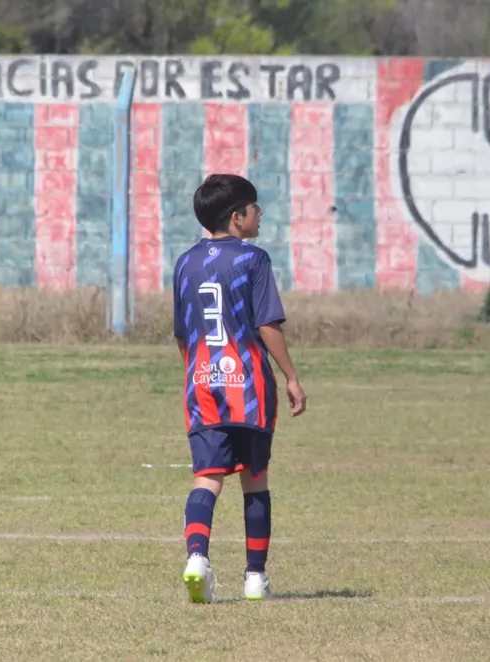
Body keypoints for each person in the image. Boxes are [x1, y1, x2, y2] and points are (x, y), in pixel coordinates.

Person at [172, 173, 308, 604]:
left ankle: (197, 558)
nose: (260, 213)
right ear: (237, 218)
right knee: (255, 480)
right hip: (247, 387)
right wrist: (290, 375)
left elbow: (182, 334)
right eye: (255, 207)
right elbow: (267, 325)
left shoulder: (184, 262)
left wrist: (198, 372)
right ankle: (254, 577)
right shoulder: (253, 260)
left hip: (203, 386)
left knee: (207, 478)